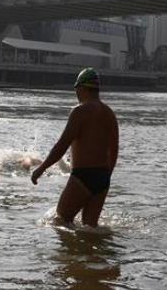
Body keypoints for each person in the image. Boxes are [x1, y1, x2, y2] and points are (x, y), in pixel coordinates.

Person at [31, 68, 118, 227]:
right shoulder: (109, 113)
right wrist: (106, 178)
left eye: (76, 89)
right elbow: (114, 150)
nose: (76, 93)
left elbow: (62, 145)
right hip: (103, 177)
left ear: (82, 87)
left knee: (60, 221)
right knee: (90, 228)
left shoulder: (79, 111)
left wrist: (41, 168)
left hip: (83, 176)